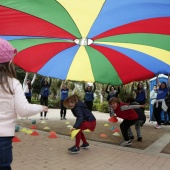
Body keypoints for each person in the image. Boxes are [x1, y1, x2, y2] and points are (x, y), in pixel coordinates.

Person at [0, 38, 48, 170]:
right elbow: (23, 110)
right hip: (3, 138)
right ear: (9, 62)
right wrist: (41, 107)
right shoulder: (13, 83)